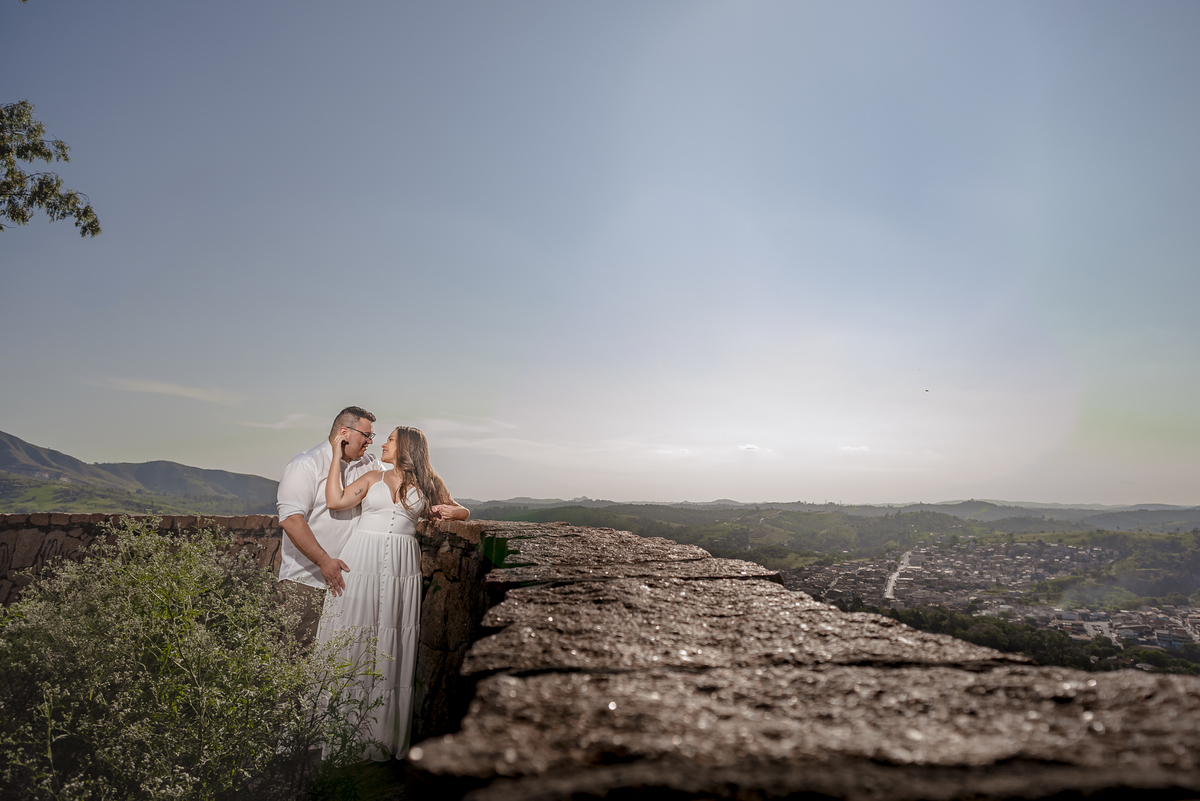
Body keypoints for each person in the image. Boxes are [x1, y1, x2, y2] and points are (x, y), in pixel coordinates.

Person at [317, 425, 469, 760]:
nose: (383, 444)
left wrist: (446, 511)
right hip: (362, 558)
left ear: (405, 448)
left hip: (401, 564)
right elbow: (334, 500)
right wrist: (334, 458)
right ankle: (337, 729)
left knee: (390, 636)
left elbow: (462, 511)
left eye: (389, 440)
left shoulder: (429, 484)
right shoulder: (372, 477)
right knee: (353, 633)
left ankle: (379, 735)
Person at [276, 406, 381, 644]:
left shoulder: (371, 465)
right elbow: (291, 520)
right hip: (307, 582)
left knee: (338, 665)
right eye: (366, 435)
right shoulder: (305, 465)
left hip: (351, 586)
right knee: (298, 657)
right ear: (344, 433)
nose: (370, 442)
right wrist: (325, 562)